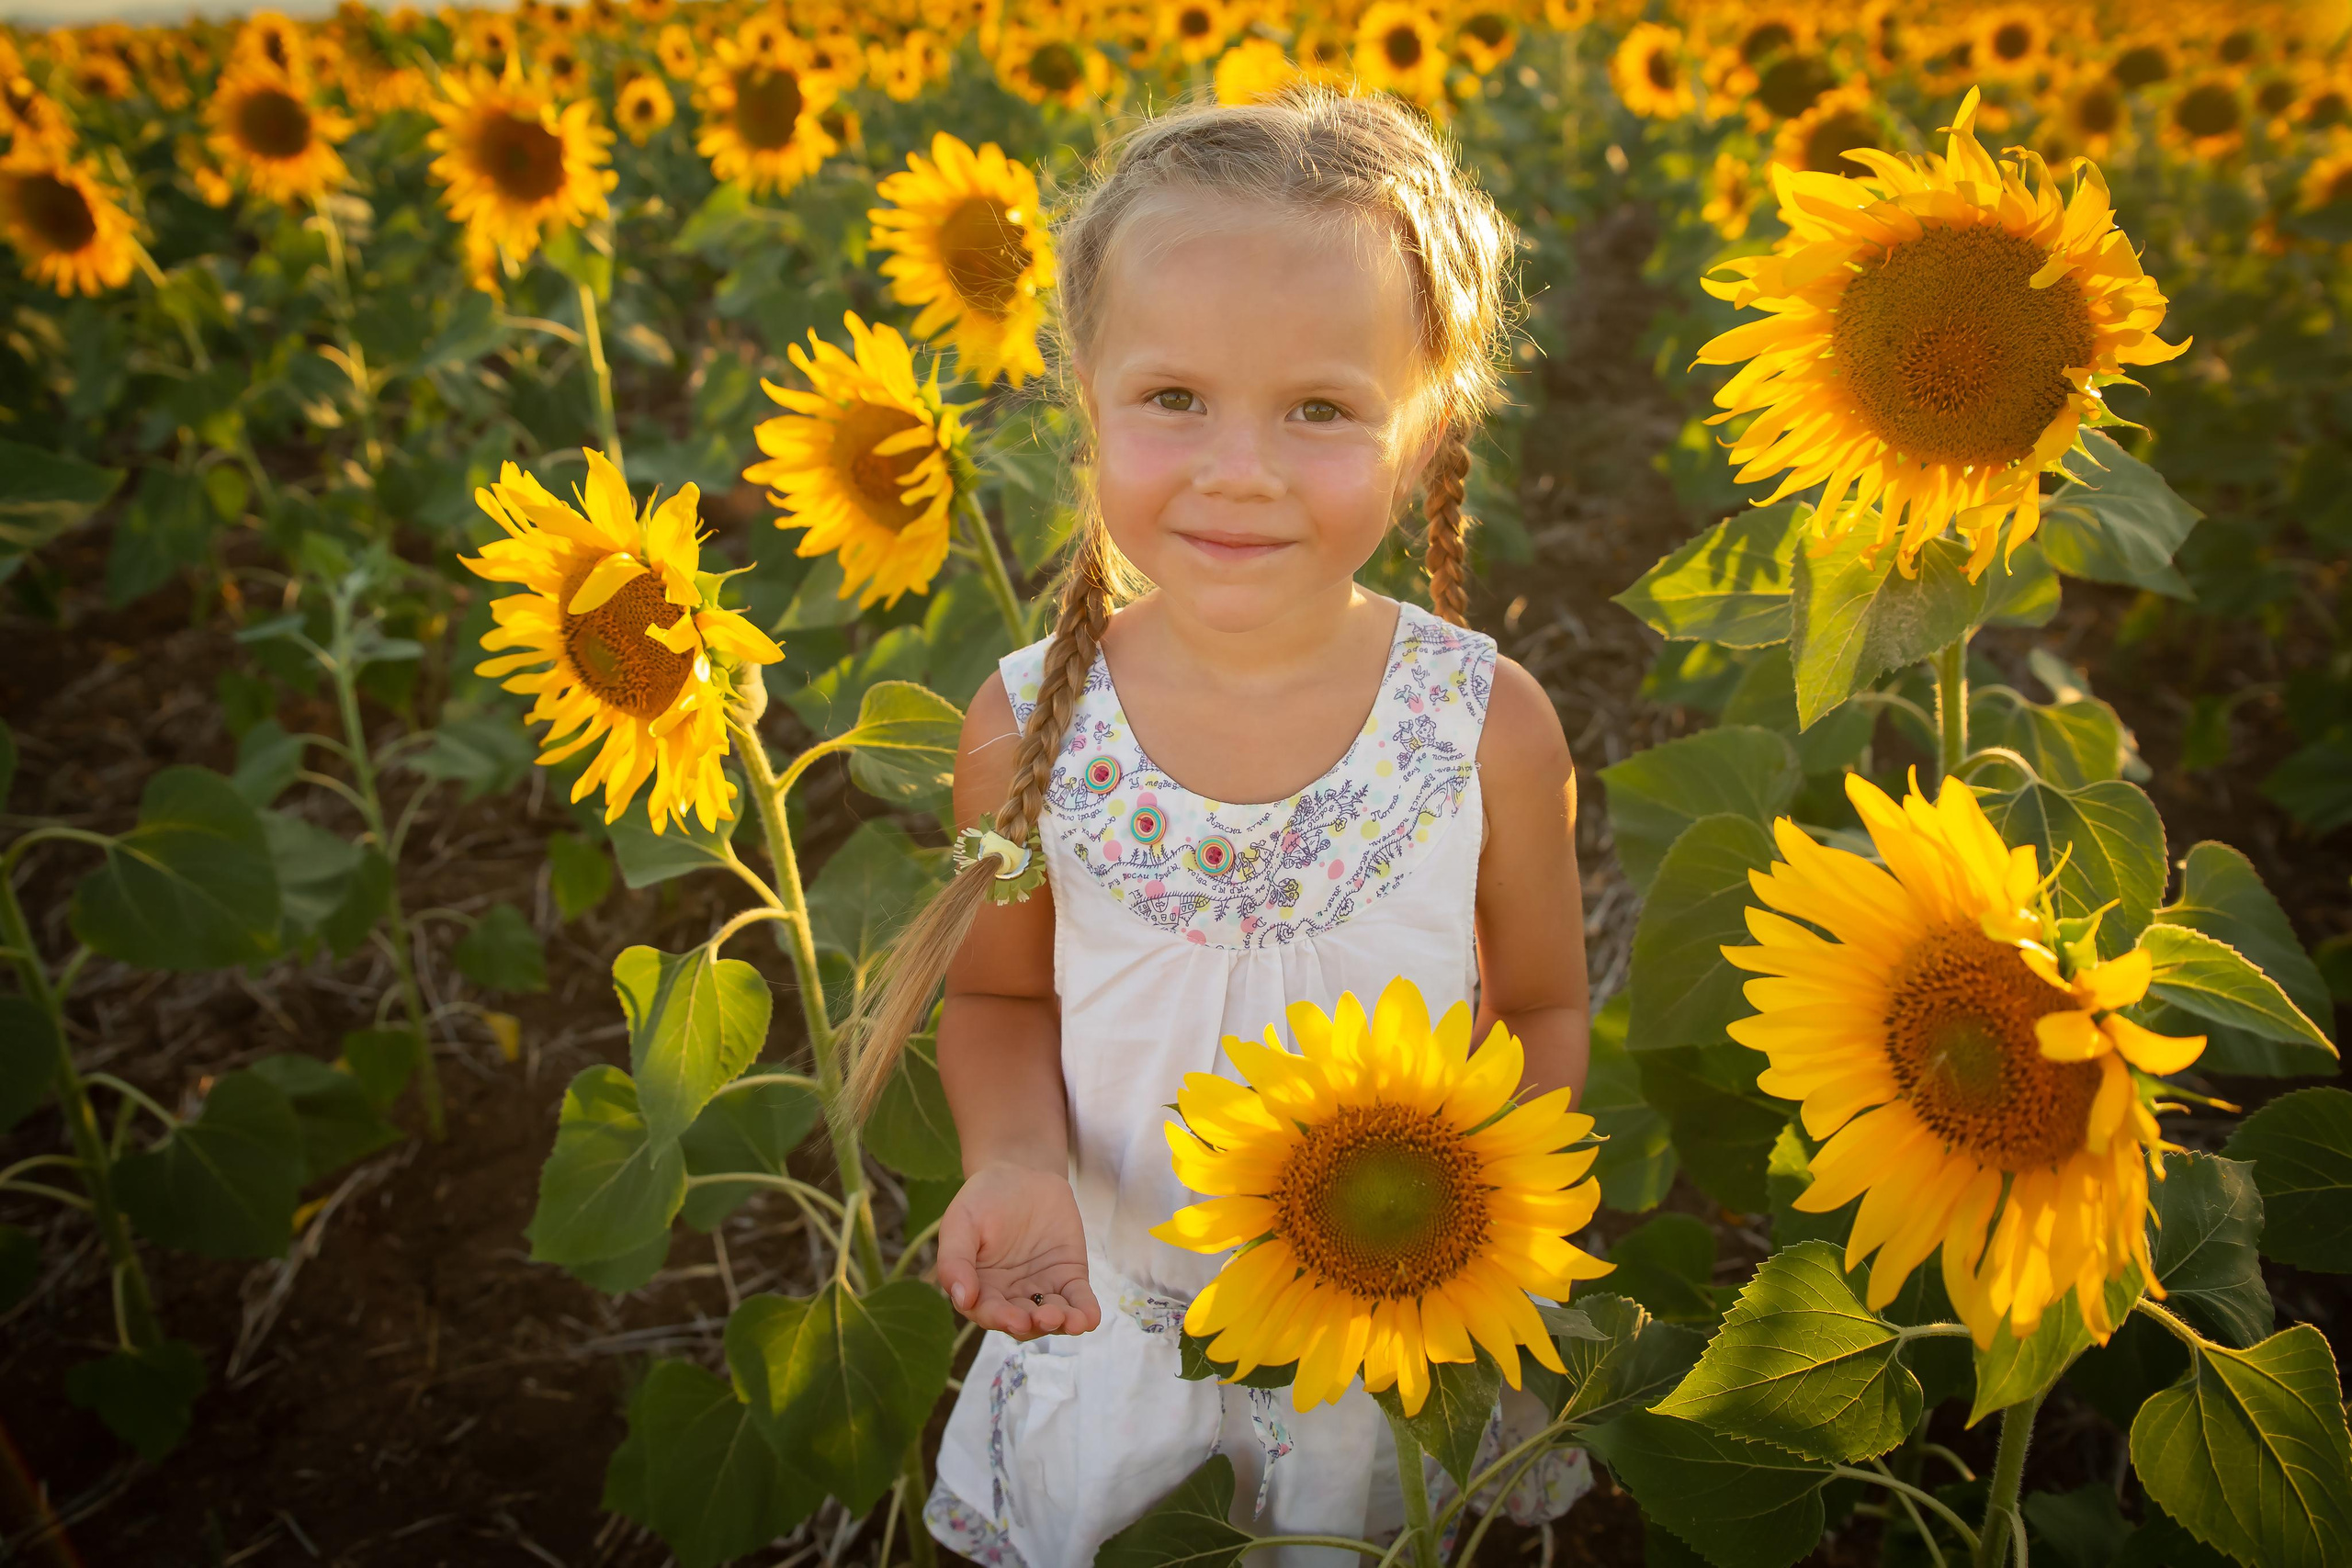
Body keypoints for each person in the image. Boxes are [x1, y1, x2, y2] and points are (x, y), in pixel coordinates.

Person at [846, 85, 1594, 1567]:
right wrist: (1012, 1166)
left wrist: (1488, 1236)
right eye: (1176, 398)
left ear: (1431, 416)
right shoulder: (1026, 728)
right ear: (1087, 390)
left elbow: (1545, 1000)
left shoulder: (1484, 729)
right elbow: (998, 994)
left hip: (1393, 1327)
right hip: (1125, 1323)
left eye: (1319, 409)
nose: (1238, 467)